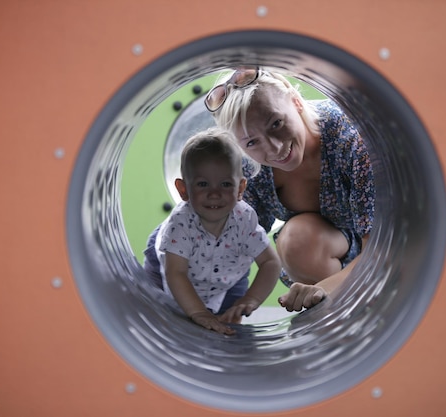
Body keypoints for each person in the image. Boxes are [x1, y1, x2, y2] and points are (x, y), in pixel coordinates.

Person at [204, 66, 375, 313]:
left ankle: (353, 310)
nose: (273, 148)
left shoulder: (348, 138)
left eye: (276, 123)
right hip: (325, 248)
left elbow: (383, 247)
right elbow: (234, 248)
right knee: (297, 241)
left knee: (302, 244)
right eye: (251, 142)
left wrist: (324, 289)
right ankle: (333, 318)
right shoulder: (249, 169)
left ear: (296, 102)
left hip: (385, 244)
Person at [147, 127, 281, 335]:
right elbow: (176, 273)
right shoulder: (180, 224)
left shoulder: (244, 219)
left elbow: (271, 263)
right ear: (183, 190)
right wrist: (199, 312)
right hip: (170, 262)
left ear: (240, 189)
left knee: (228, 324)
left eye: (226, 184)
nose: (215, 194)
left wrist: (250, 300)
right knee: (159, 311)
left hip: (228, 272)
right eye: (203, 184)